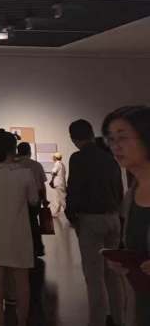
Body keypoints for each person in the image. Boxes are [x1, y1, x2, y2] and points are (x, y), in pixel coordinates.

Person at [66, 119, 124, 326]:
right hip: (113, 218)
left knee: (94, 276)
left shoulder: (77, 158)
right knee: (113, 274)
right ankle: (119, 319)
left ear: (73, 139)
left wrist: (72, 216)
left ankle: (98, 321)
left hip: (90, 220)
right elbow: (119, 190)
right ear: (91, 134)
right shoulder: (110, 158)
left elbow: (74, 189)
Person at [0, 130, 39, 326]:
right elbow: (33, 199)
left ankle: (0, 320)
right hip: (20, 231)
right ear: (13, 148)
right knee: (22, 279)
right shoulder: (25, 172)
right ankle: (22, 322)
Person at [103, 106, 150, 325]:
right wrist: (126, 262)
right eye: (111, 139)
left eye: (122, 137)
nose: (116, 146)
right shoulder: (131, 194)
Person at [16, 141, 48, 258]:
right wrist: (44, 199)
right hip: (35, 197)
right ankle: (38, 247)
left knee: (19, 224)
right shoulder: (36, 165)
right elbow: (42, 184)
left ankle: (22, 248)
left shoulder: (14, 165)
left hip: (18, 198)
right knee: (33, 222)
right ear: (29, 151)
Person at [50, 153, 67, 217]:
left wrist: (52, 180)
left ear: (55, 157)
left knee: (62, 199)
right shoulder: (62, 164)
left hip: (58, 184)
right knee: (59, 199)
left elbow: (54, 172)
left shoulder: (57, 164)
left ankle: (69, 212)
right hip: (62, 183)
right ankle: (56, 212)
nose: (52, 158)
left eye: (53, 157)